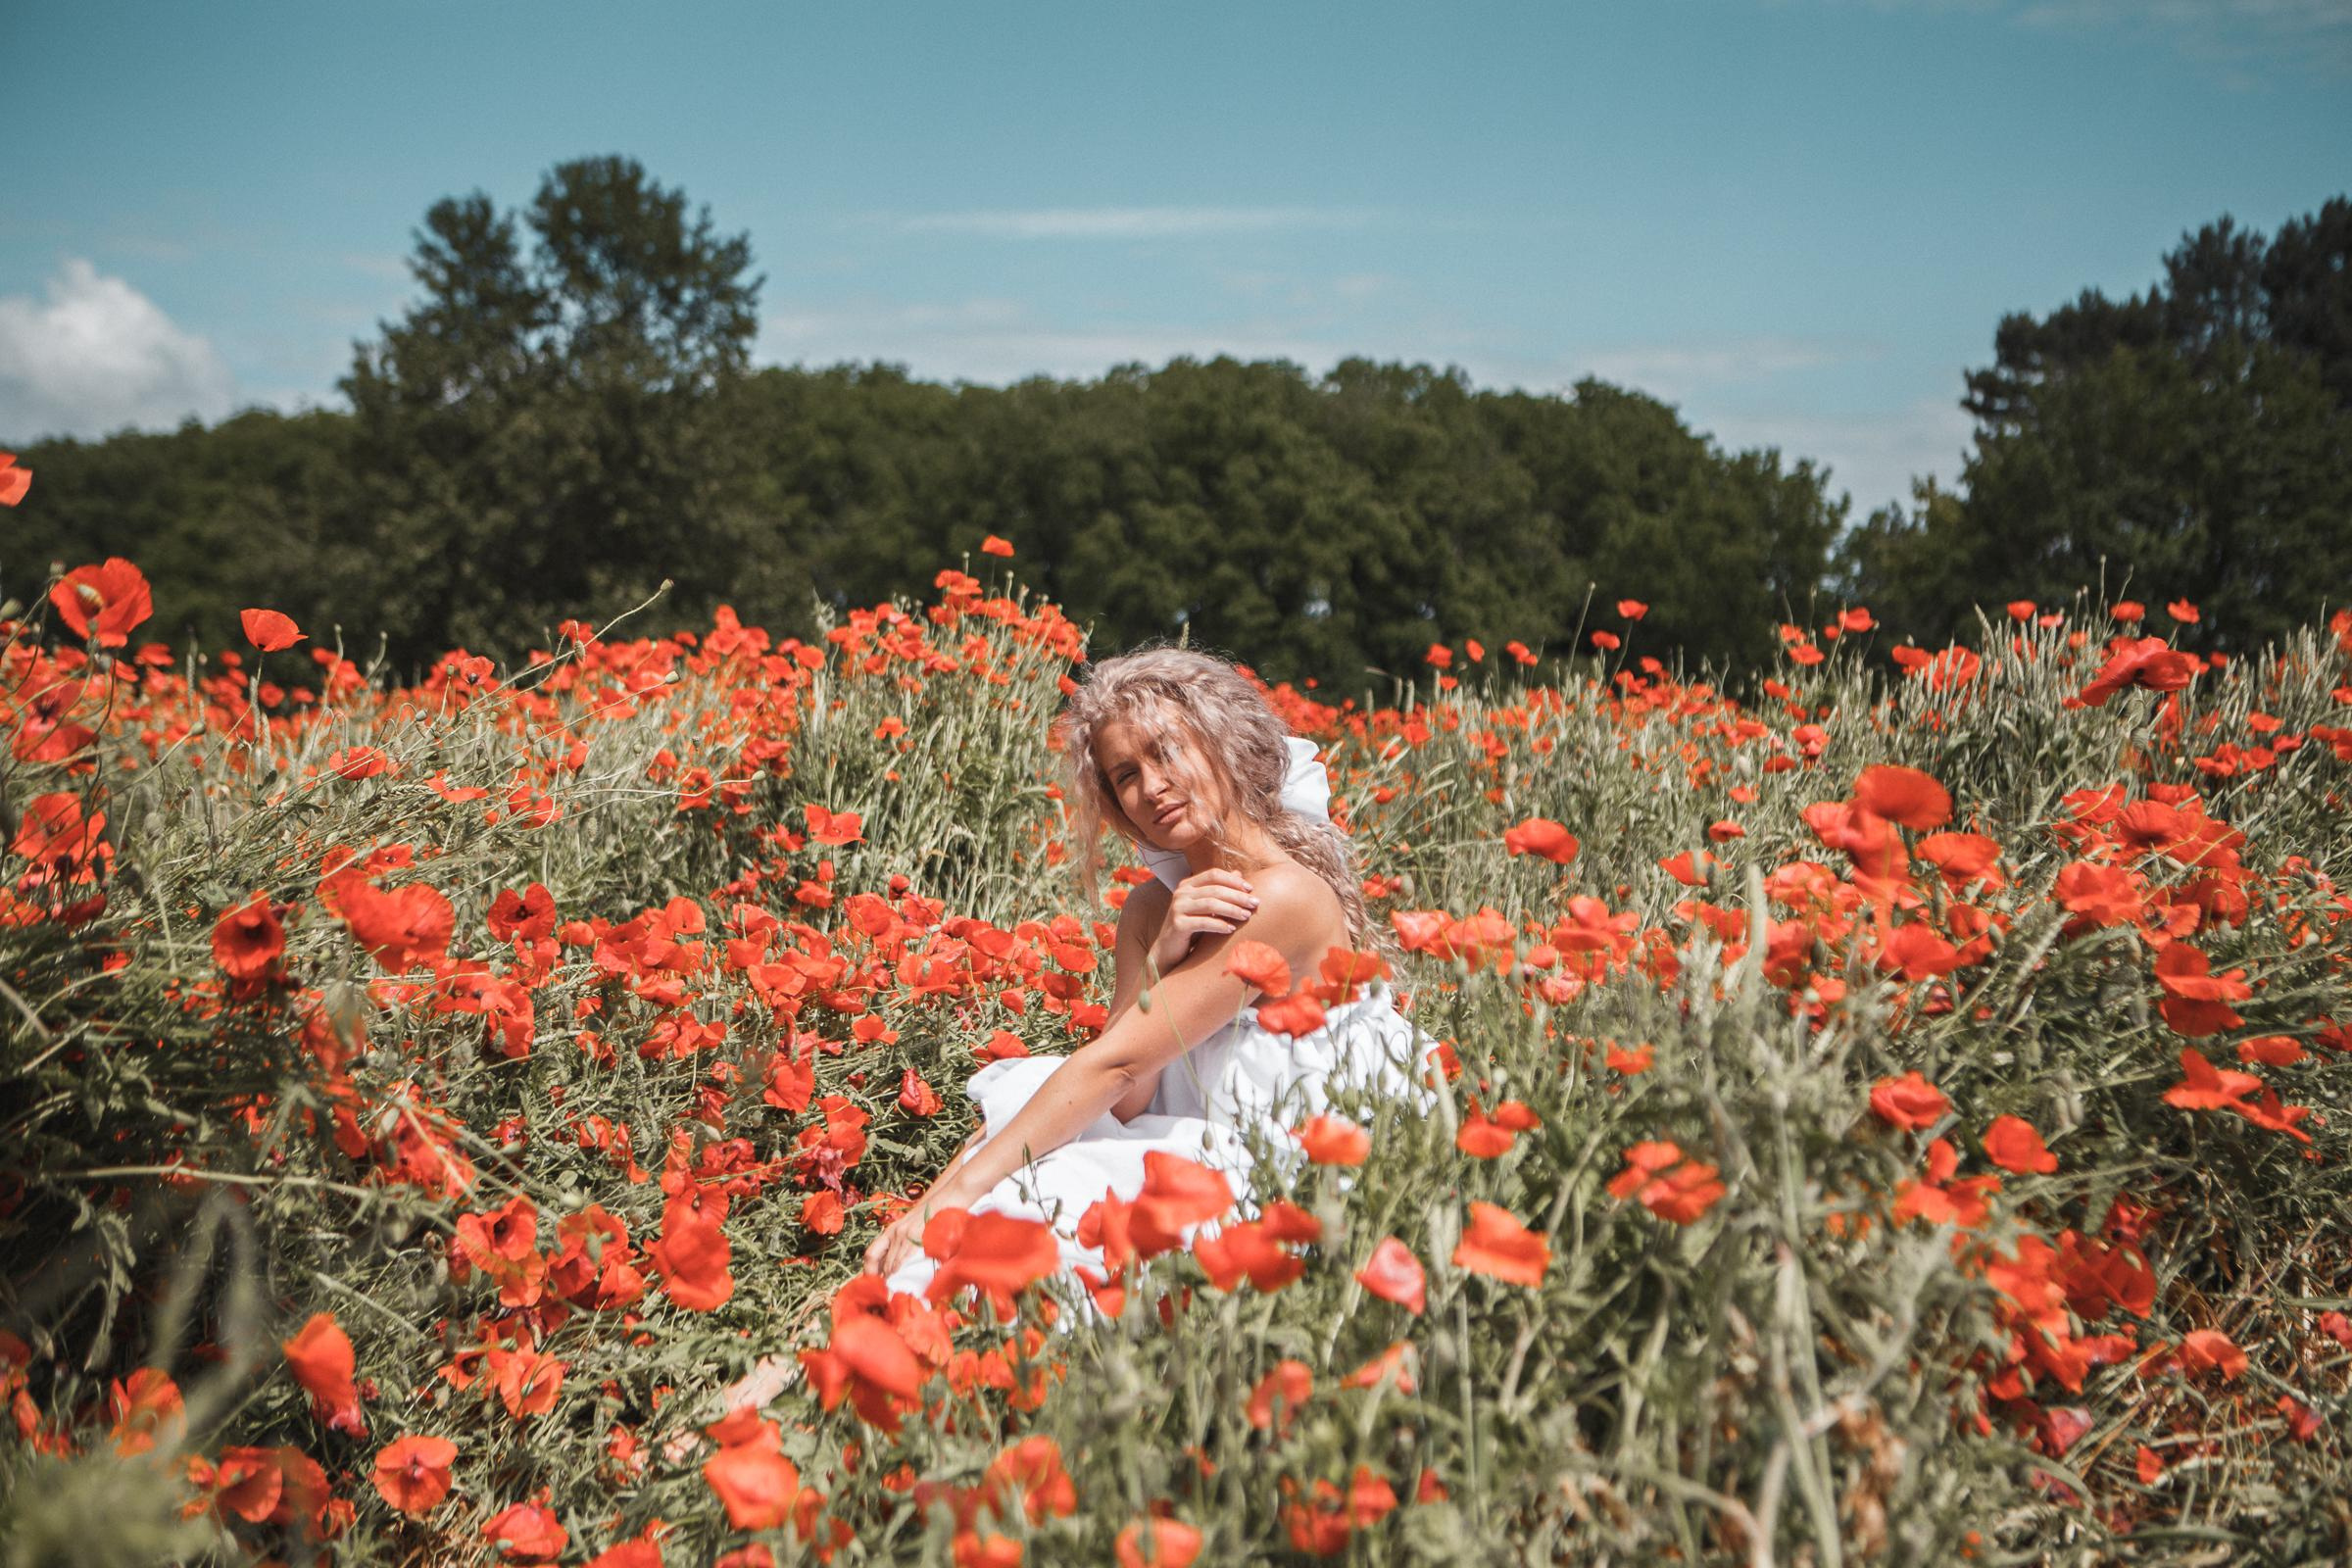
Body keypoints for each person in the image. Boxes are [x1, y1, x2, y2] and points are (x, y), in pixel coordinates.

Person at [859, 642, 1436, 1301]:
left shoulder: (1285, 898)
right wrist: (1160, 958)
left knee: (1040, 1199)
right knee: (1034, 1145)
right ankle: (891, 1304)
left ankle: (923, 1328)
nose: (1149, 786)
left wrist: (950, 1197)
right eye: (1124, 773)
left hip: (1297, 1168)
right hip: (1199, 1141)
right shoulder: (1150, 910)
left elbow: (1119, 1068)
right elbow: (1129, 1093)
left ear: (1225, 742)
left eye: (1167, 751)